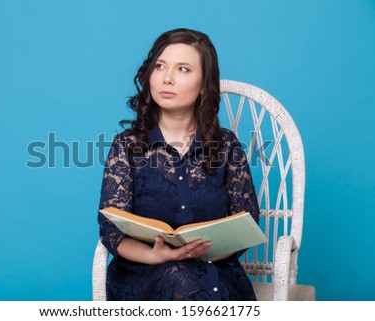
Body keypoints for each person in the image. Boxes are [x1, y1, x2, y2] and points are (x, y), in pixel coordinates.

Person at [97, 28, 260, 300]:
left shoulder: (227, 145)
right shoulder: (126, 146)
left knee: (202, 286)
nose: (167, 78)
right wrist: (154, 254)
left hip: (216, 270)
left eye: (183, 69)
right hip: (144, 273)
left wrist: (205, 251)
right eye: (160, 66)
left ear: (204, 84)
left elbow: (247, 222)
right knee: (181, 280)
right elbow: (111, 230)